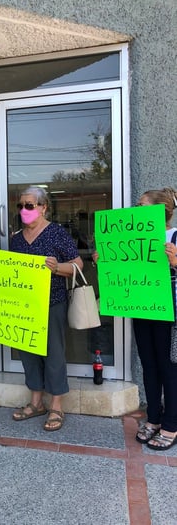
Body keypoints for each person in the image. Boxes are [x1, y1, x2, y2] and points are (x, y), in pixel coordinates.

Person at [10, 186, 83, 431]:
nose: (24, 210)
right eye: (20, 205)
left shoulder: (56, 233)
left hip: (52, 302)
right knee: (28, 353)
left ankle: (57, 406)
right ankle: (36, 402)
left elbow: (77, 264)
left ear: (43, 207)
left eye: (29, 205)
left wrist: (57, 267)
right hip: (24, 305)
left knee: (53, 354)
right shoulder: (16, 238)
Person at [131, 188, 177, 450]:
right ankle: (154, 418)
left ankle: (171, 424)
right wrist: (107, 261)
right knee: (149, 366)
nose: (137, 209)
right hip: (142, 309)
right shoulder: (135, 237)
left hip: (169, 314)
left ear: (159, 211)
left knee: (169, 369)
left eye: (141, 205)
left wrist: (175, 260)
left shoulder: (174, 236)